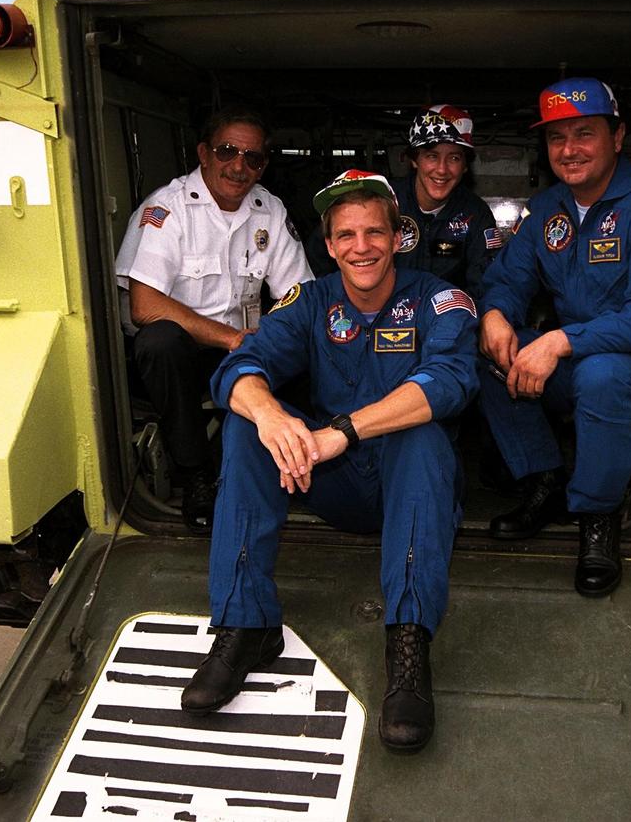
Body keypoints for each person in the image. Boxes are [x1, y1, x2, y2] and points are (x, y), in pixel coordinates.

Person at [181, 170, 479, 754]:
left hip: (409, 486)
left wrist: (343, 430)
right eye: (346, 235)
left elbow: (449, 381)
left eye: (374, 232)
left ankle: (408, 646)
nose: (360, 247)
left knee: (421, 435)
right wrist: (271, 416)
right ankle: (246, 624)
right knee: (246, 425)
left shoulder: (440, 300)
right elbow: (240, 366)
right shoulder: (312, 301)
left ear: (398, 237)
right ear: (330, 244)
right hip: (332, 481)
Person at [478, 77, 631, 598]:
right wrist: (495, 316)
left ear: (618, 136)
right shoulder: (547, 208)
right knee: (488, 352)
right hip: (572, 357)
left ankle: (598, 517)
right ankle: (543, 481)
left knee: (602, 374)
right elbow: (508, 279)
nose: (569, 150)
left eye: (584, 133)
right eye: (557, 137)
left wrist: (557, 342)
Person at [115, 107, 313, 532]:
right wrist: (232, 338)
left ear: (263, 166)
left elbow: (300, 295)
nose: (239, 166)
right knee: (160, 341)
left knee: (306, 341)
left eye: (252, 158)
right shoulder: (167, 209)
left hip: (241, 345)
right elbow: (144, 306)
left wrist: (277, 337)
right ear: (204, 153)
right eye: (227, 152)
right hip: (176, 355)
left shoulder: (269, 210)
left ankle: (281, 464)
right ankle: (196, 475)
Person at [304, 104, 499, 295]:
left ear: (465, 166)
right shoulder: (380, 199)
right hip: (377, 311)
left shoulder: (475, 214)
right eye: (432, 156)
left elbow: (488, 285)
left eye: (454, 158)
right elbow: (319, 252)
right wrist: (343, 302)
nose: (442, 169)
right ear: (414, 159)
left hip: (446, 313)